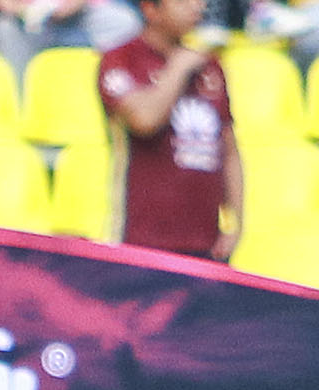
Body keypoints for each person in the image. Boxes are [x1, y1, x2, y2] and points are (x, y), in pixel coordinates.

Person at [100, 0, 236, 261]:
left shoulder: (210, 66)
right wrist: (178, 68)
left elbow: (229, 149)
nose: (197, 6)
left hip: (206, 243)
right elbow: (144, 120)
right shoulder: (120, 59)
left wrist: (235, 223)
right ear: (151, 9)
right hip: (139, 241)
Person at [0, 0, 136, 72]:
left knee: (125, 21)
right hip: (27, 18)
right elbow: (4, 3)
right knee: (3, 26)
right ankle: (19, 99)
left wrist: (63, 8)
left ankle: (114, 88)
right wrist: (27, 11)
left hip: (80, 15)